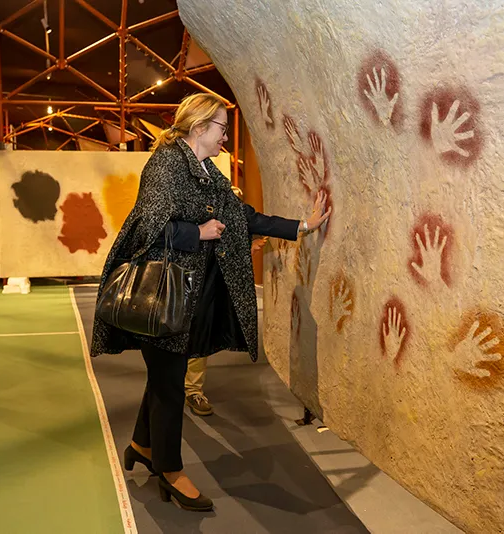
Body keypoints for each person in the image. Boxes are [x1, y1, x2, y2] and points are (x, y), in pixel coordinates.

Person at [91, 93, 330, 512]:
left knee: (166, 375)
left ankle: (143, 446)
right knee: (168, 383)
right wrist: (197, 233)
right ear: (200, 128)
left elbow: (242, 217)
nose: (225, 136)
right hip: (162, 293)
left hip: (187, 296)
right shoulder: (167, 163)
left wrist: (301, 225)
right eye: (221, 127)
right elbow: (148, 223)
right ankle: (170, 470)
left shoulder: (205, 169)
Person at [184, 236, 268, 417]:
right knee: (173, 332)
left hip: (204, 272)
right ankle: (166, 387)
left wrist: (304, 225)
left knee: (200, 327)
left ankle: (193, 390)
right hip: (175, 266)